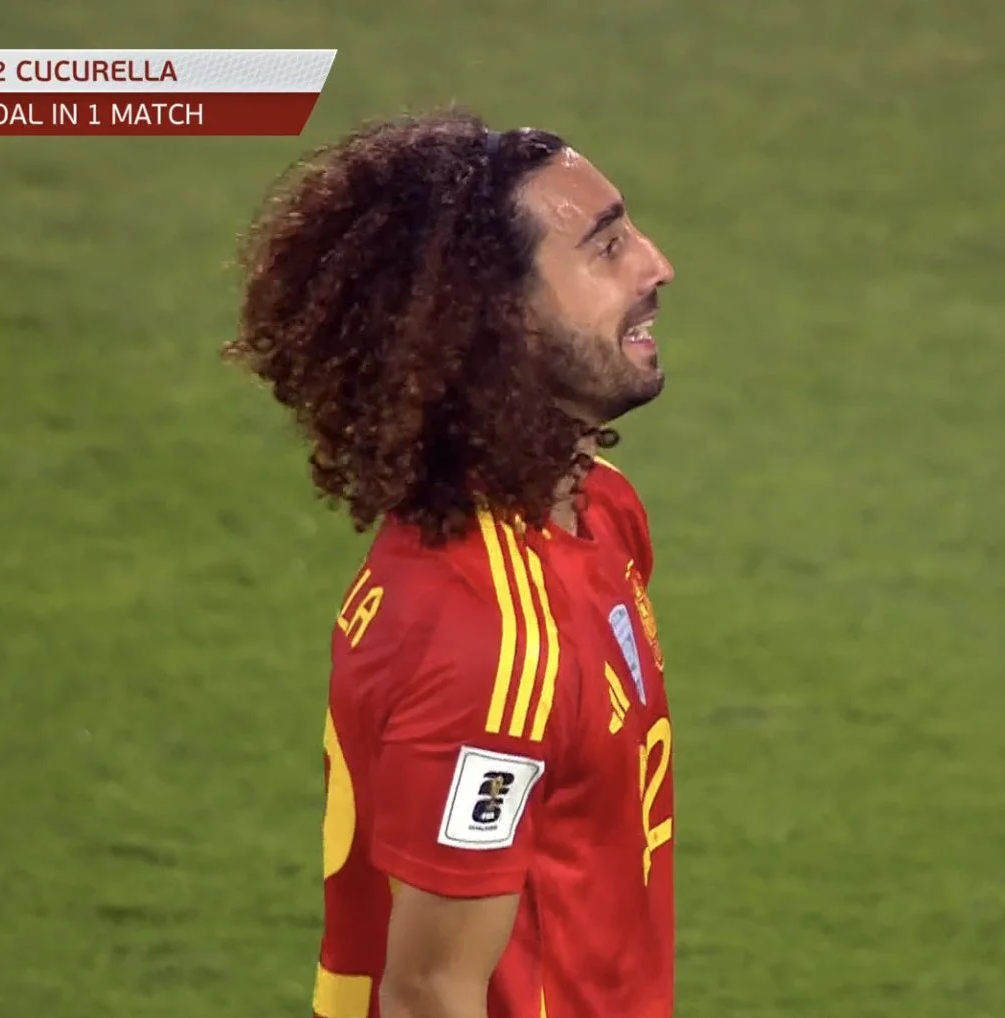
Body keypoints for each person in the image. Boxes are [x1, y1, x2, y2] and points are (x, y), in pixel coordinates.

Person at [224, 108, 677, 1018]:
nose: (655, 265)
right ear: (499, 322)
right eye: (606, 247)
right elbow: (430, 990)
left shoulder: (599, 511)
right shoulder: (494, 639)